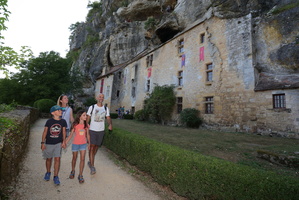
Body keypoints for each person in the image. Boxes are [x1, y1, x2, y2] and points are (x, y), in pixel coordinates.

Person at [86, 93, 113, 175]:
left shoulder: (105, 108)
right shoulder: (92, 107)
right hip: (93, 130)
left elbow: (108, 118)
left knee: (97, 146)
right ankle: (92, 166)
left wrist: (110, 124)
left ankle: (90, 161)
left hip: (101, 130)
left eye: (102, 97)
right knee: (92, 147)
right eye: (100, 97)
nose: (101, 98)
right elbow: (88, 117)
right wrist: (85, 125)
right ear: (97, 98)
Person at [41, 105, 67, 185]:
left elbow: (63, 132)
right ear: (53, 113)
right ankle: (48, 172)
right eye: (58, 110)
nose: (60, 111)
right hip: (49, 143)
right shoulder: (49, 121)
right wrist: (42, 143)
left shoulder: (63, 121)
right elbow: (45, 132)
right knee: (49, 159)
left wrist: (64, 141)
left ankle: (56, 176)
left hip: (58, 143)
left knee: (57, 159)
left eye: (61, 110)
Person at [66, 110, 90, 183]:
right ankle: (73, 171)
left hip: (83, 144)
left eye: (86, 115)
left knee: (82, 159)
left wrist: (89, 143)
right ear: (80, 116)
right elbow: (70, 135)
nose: (86, 116)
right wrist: (65, 142)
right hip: (75, 144)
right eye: (84, 115)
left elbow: (88, 135)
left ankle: (80, 175)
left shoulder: (86, 125)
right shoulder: (75, 125)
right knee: (74, 158)